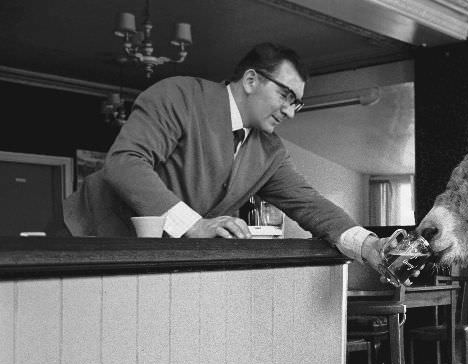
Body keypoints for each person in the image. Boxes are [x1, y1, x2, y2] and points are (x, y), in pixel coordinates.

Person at [61, 41, 386, 271]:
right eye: (285, 95)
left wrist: (370, 246)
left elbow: (310, 204)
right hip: (82, 243)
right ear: (250, 80)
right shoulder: (179, 95)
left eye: (296, 103)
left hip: (153, 262)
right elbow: (126, 162)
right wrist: (196, 225)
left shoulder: (270, 152)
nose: (290, 112)